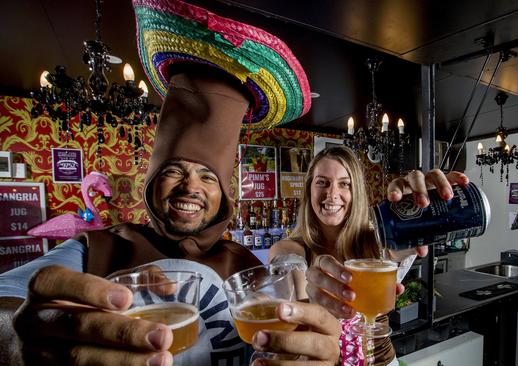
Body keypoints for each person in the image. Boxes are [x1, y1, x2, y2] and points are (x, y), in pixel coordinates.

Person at [0, 0, 340, 365]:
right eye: (175, 169)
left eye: (208, 176)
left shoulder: (246, 267)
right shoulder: (93, 248)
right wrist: (19, 341)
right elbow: (8, 306)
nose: (190, 186)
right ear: (152, 180)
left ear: (224, 193)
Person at [269, 146, 469, 365]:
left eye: (345, 184)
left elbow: (399, 249)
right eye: (322, 182)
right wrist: (308, 303)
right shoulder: (290, 250)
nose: (332, 193)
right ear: (309, 190)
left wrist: (423, 210)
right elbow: (295, 305)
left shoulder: (378, 242)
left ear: (357, 192)